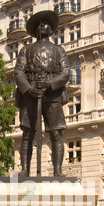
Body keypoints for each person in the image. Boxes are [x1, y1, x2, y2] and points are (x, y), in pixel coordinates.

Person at [14, 10, 70, 177]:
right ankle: (25, 170)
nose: (42, 26)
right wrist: (29, 89)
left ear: (51, 29)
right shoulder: (26, 50)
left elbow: (65, 73)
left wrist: (50, 84)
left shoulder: (59, 50)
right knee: (28, 133)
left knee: (55, 132)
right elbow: (18, 72)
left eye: (45, 23)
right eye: (39, 24)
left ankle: (58, 171)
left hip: (53, 95)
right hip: (30, 94)